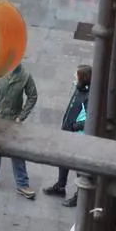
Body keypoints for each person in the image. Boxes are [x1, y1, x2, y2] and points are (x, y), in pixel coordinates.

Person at [0, 61, 38, 199]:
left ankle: (22, 184)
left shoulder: (25, 76)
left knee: (17, 153)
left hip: (13, 120)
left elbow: (33, 96)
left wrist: (21, 116)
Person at [43, 64, 91, 207]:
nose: (74, 78)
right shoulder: (79, 89)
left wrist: (74, 127)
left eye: (76, 76)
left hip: (77, 136)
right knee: (63, 160)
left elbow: (89, 119)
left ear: (83, 78)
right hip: (68, 132)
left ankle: (79, 195)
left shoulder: (88, 95)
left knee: (78, 167)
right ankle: (60, 186)